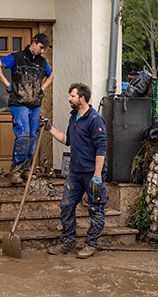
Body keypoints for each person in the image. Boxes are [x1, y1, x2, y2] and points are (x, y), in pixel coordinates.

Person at [44, 83, 107, 259]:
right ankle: (68, 241)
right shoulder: (74, 117)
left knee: (95, 208)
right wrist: (50, 129)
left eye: (72, 96)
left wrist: (97, 176)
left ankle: (91, 244)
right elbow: (67, 140)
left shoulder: (95, 120)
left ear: (82, 98)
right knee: (66, 205)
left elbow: (101, 149)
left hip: (92, 173)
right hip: (75, 172)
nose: (69, 99)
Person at [0, 33, 54, 184]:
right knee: (23, 136)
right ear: (33, 43)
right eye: (41, 47)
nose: (42, 51)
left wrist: (42, 89)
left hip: (35, 105)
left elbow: (51, 76)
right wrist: (7, 84)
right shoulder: (16, 57)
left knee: (32, 138)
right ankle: (16, 171)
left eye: (44, 49)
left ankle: (27, 170)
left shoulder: (42, 61)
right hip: (19, 103)